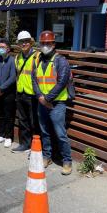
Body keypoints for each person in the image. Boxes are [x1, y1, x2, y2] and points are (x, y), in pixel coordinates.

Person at [32, 30, 73, 175]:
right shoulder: (37, 60)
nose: (45, 45)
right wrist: (40, 97)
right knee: (44, 131)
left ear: (54, 44)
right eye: (42, 43)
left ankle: (67, 161)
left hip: (57, 104)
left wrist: (47, 98)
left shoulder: (61, 60)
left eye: (48, 43)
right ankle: (47, 156)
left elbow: (62, 82)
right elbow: (34, 80)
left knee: (60, 133)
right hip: (42, 102)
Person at [12, 31, 39, 153]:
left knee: (34, 121)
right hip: (20, 92)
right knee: (23, 120)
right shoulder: (17, 57)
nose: (24, 44)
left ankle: (36, 146)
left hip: (32, 94)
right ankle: (25, 144)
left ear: (31, 42)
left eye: (26, 41)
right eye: (21, 42)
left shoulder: (37, 56)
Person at [0, 39, 16, 148]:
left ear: (8, 49)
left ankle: (8, 137)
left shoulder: (12, 60)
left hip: (8, 93)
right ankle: (0, 135)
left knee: (8, 115)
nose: (0, 48)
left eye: (3, 47)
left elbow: (13, 77)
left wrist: (1, 88)